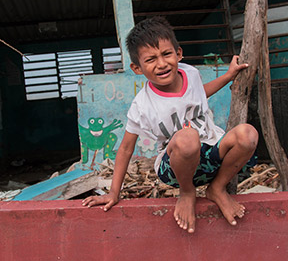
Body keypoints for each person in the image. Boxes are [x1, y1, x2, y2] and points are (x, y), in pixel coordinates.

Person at [82, 17, 258, 233]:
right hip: (175, 169)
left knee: (247, 135)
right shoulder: (142, 105)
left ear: (179, 53)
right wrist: (113, 193)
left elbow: (200, 94)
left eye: (166, 54)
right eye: (151, 59)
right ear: (137, 68)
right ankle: (187, 193)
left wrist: (229, 76)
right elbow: (126, 148)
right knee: (187, 137)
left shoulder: (191, 74)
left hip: (212, 157)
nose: (162, 64)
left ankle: (217, 188)